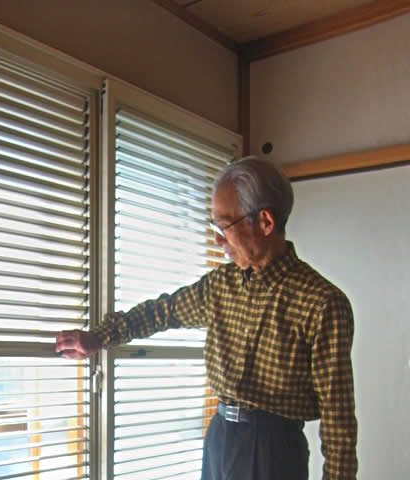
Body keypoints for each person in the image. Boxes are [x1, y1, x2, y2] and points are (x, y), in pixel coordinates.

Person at [55, 157, 357, 480]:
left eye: (224, 227)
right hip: (219, 437)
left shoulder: (323, 303)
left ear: (265, 222)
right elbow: (163, 311)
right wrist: (99, 336)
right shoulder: (220, 285)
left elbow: (338, 422)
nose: (218, 240)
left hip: (273, 450)